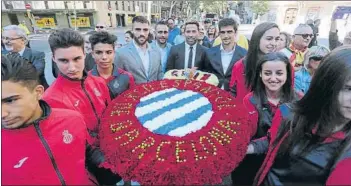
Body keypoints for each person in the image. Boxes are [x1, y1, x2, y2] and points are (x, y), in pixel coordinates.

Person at [251, 46, 351, 186]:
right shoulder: (287, 113)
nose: (273, 79)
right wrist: (246, 147)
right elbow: (272, 140)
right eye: (348, 88)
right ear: (326, 83)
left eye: (279, 73)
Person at [43, 28, 120, 185]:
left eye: (77, 59)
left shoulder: (98, 82)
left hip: (114, 150)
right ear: (53, 58)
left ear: (85, 54)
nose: (72, 67)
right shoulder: (50, 99)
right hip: (88, 164)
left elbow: (111, 116)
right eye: (64, 61)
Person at [1, 54, 93, 185]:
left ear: (38, 92)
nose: (2, 114)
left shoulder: (72, 119)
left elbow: (88, 155)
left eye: (10, 101)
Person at [231, 52, 296, 185]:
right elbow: (246, 132)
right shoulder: (250, 100)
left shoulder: (297, 100)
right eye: (267, 73)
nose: (273, 78)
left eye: (279, 73)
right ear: (260, 74)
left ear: (287, 74)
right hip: (252, 162)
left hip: (281, 164)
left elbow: (288, 135)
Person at [229, 22, 280, 101]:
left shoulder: (285, 66)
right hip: (244, 111)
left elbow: (288, 98)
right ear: (257, 39)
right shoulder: (240, 65)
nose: (273, 43)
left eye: (277, 39)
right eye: (269, 39)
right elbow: (233, 93)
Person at [116, 16, 163, 84]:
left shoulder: (156, 50)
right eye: (138, 29)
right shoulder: (120, 53)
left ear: (149, 31)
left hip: (154, 92)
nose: (142, 33)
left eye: (145, 30)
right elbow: (118, 80)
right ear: (132, 31)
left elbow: (159, 73)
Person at [203, 18, 247, 91]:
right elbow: (206, 75)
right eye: (223, 32)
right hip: (213, 94)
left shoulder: (244, 54)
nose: (226, 36)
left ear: (235, 33)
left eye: (229, 32)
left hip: (235, 95)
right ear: (219, 34)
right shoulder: (209, 53)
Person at [88, 31, 134, 99]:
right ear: (92, 54)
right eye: (99, 52)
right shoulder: (86, 79)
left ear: (114, 53)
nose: (104, 57)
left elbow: (133, 101)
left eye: (108, 52)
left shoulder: (126, 77)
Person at [2, 25, 48, 89]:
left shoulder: (37, 55)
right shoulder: (2, 55)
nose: (5, 41)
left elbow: (35, 74)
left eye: (9, 39)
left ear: (23, 40)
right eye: (3, 38)